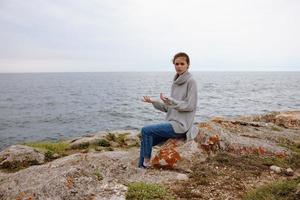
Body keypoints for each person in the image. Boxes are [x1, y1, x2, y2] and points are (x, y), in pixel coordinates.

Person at [138, 52, 199, 169]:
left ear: (188, 65)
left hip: (181, 125)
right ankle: (142, 167)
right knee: (146, 139)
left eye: (182, 64)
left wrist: (172, 102)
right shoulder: (175, 83)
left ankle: (146, 163)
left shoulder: (191, 82)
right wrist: (154, 101)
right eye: (176, 64)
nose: (179, 66)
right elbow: (170, 108)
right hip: (171, 123)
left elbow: (190, 106)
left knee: (146, 130)